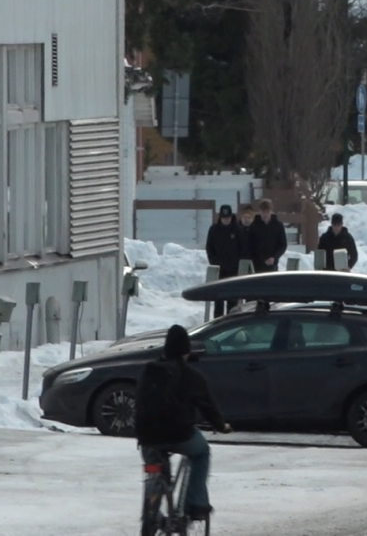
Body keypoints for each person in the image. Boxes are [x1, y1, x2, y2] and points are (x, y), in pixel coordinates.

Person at [134, 325, 232, 520]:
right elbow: (207, 406)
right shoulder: (192, 375)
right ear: (186, 351)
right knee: (201, 453)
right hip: (180, 435)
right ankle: (195, 503)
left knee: (155, 468)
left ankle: (151, 516)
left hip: (147, 435)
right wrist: (221, 426)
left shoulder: (148, 371)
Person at [204, 204, 240, 317]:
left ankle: (232, 322)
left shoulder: (237, 230)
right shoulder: (214, 230)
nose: (226, 220)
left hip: (233, 271)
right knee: (218, 301)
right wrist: (214, 262)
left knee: (232, 302)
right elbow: (209, 248)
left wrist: (237, 265)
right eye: (224, 218)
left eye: (228, 218)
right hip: (219, 270)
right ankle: (218, 322)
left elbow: (243, 249)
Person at [250, 199, 287, 272]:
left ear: (271, 211)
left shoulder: (278, 226)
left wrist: (274, 257)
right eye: (263, 211)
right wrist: (261, 259)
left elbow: (283, 244)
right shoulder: (254, 226)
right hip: (257, 264)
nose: (265, 214)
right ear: (260, 211)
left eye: (268, 211)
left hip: (273, 264)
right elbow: (251, 245)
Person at [236, 205, 257, 273]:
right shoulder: (236, 231)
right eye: (244, 217)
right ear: (241, 218)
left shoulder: (256, 231)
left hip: (254, 263)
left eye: (249, 217)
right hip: (239, 263)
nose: (247, 220)